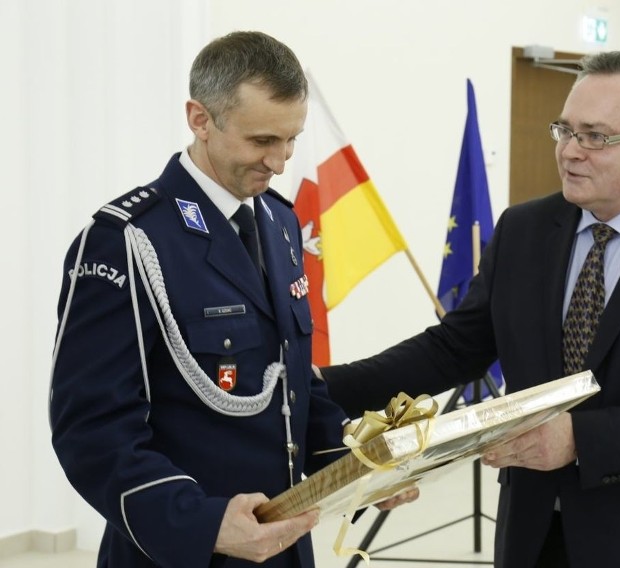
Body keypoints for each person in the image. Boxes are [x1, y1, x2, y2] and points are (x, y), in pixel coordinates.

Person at [320, 51, 620, 567]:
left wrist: (581, 439)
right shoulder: (524, 231)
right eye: (564, 130)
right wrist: (316, 388)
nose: (570, 152)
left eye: (595, 136)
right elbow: (452, 350)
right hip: (531, 530)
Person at [49, 31, 414, 568]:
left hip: (285, 543)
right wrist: (200, 523)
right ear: (200, 119)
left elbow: (291, 386)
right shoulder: (127, 240)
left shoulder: (281, 221)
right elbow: (92, 427)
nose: (281, 161)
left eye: (291, 139)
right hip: (183, 548)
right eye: (262, 140)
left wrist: (357, 467)